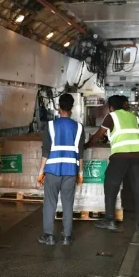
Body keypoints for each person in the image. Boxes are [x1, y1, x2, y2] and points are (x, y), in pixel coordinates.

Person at [84, 95, 139, 232]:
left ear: (111, 107)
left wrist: (86, 145)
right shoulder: (133, 117)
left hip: (121, 155)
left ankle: (109, 219)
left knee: (110, 184)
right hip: (138, 154)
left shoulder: (112, 116)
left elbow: (99, 135)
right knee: (138, 189)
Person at [37, 93, 84, 246]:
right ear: (72, 108)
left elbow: (46, 151)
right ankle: (67, 237)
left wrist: (41, 172)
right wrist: (80, 173)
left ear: (58, 107)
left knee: (50, 202)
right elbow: (80, 153)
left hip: (52, 170)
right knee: (68, 203)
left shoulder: (50, 126)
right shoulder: (79, 127)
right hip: (70, 171)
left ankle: (49, 236)